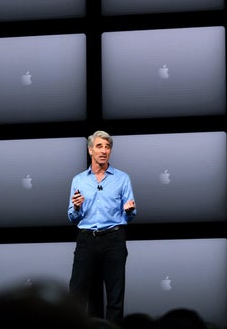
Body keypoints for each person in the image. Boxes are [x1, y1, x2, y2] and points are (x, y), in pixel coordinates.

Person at [68, 130, 137, 325]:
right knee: (78, 292)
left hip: (113, 239)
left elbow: (130, 215)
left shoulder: (122, 179)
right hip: (86, 239)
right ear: (90, 150)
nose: (104, 151)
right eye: (99, 146)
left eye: (107, 147)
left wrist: (130, 210)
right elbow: (72, 217)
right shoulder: (79, 180)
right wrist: (77, 207)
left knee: (115, 295)